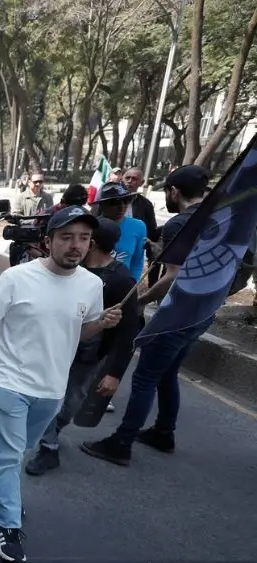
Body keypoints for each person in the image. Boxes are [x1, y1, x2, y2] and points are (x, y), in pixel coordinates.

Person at [0, 206, 121, 563]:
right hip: (9, 381)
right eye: (66, 237)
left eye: (83, 238)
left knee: (20, 448)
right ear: (48, 242)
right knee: (10, 454)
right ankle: (9, 528)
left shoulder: (93, 285)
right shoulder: (17, 278)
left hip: (51, 388)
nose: (75, 245)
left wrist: (103, 324)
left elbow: (80, 332)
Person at [81, 165, 212, 464]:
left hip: (179, 313)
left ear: (174, 192)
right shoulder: (216, 219)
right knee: (166, 372)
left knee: (144, 378)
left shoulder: (181, 223)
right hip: (205, 313)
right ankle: (163, 432)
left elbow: (172, 277)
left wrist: (138, 301)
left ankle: (122, 442)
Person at [23, 217, 139, 475]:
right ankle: (48, 447)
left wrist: (114, 373)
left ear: (92, 243)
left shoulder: (120, 281)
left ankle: (49, 433)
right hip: (53, 351)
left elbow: (129, 330)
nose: (75, 244)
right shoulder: (71, 270)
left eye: (83, 238)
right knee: (49, 400)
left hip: (86, 356)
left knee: (69, 404)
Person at [91, 182, 147, 282]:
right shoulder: (91, 226)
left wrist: (132, 285)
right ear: (102, 204)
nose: (121, 207)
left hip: (122, 287)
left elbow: (137, 261)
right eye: (114, 202)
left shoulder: (138, 226)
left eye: (126, 201)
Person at [122, 167, 161, 287]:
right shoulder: (109, 200)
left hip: (134, 249)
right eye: (127, 178)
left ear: (141, 183)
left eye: (134, 179)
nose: (130, 181)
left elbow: (151, 230)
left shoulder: (146, 205)